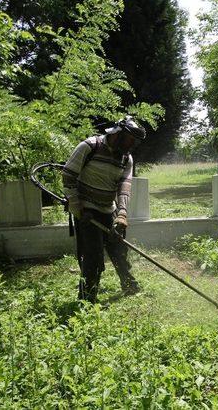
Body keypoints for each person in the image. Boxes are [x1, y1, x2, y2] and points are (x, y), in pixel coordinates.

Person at [62, 116, 146, 303]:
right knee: (92, 257)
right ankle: (87, 298)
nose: (132, 146)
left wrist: (122, 214)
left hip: (109, 209)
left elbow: (124, 186)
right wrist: (77, 208)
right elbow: (68, 176)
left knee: (119, 250)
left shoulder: (126, 158)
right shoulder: (89, 147)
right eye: (130, 140)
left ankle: (129, 284)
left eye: (135, 142)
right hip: (87, 211)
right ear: (118, 134)